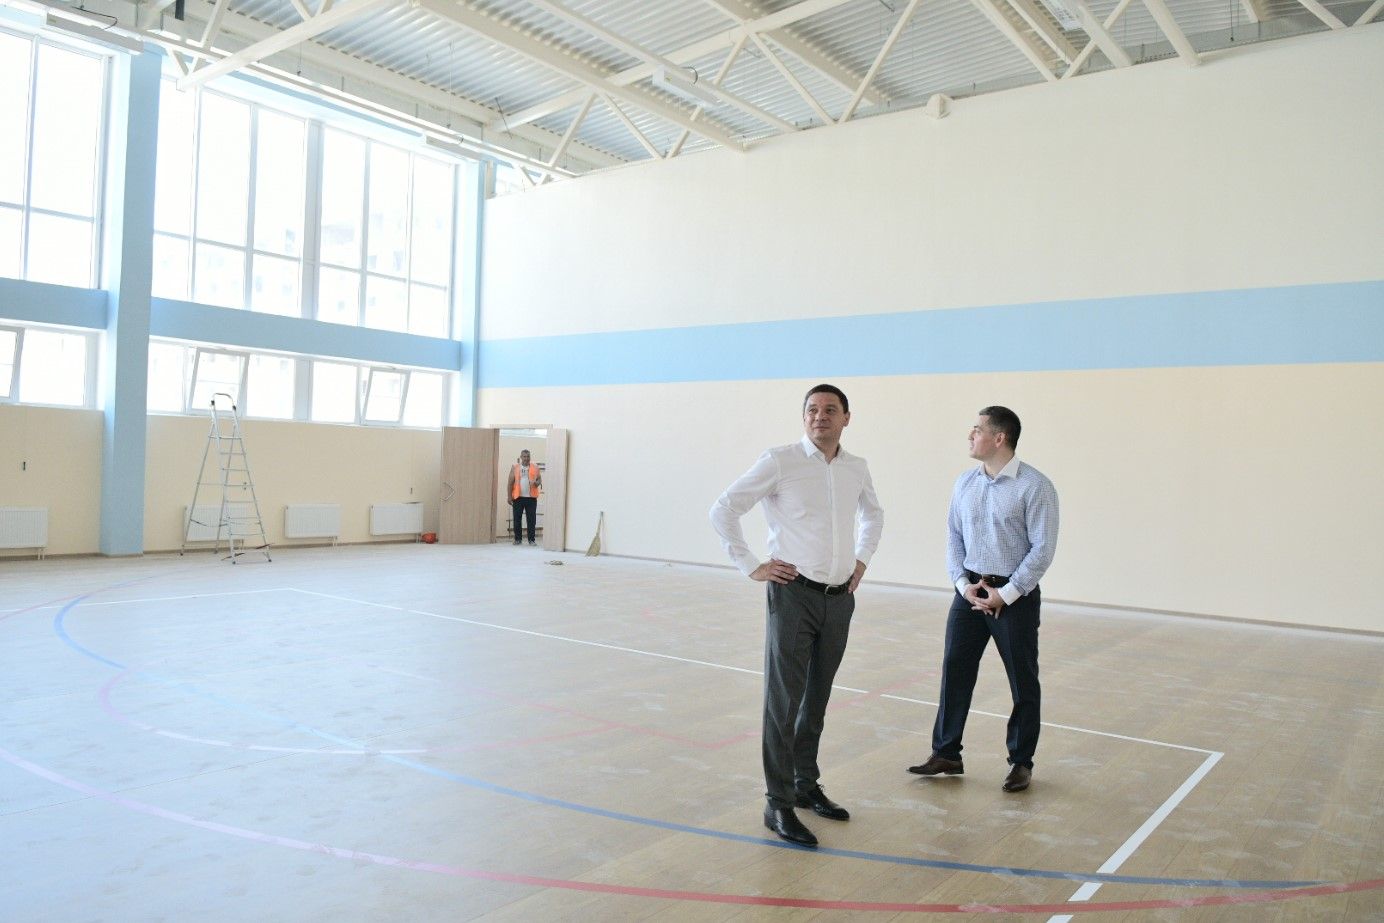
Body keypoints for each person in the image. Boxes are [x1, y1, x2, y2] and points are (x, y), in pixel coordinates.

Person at [710, 384, 884, 848]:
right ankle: (778, 803)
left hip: (839, 598)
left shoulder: (855, 467)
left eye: (830, 409)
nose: (819, 416)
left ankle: (805, 785)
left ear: (847, 418)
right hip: (793, 596)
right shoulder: (780, 461)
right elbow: (723, 509)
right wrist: (751, 565)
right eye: (812, 410)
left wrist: (862, 559)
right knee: (783, 702)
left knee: (817, 698)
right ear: (803, 417)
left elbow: (874, 515)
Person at [909, 406, 1058, 793]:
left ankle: (1021, 762)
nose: (970, 435)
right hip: (970, 592)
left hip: (1015, 596)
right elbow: (953, 537)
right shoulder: (964, 482)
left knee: (1022, 680)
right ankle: (946, 753)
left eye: (977, 430)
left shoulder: (1035, 486)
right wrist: (963, 585)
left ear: (999, 438)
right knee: (955, 671)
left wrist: (1005, 594)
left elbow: (1042, 550)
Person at [506, 450, 542, 546]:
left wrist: (536, 483)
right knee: (517, 519)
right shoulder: (515, 467)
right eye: (524, 456)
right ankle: (518, 539)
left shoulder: (535, 467)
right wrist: (509, 496)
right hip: (518, 497)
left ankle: (531, 540)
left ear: (530, 457)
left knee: (531, 519)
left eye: (528, 456)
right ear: (521, 457)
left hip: (531, 498)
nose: (526, 458)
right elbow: (510, 483)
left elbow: (539, 479)